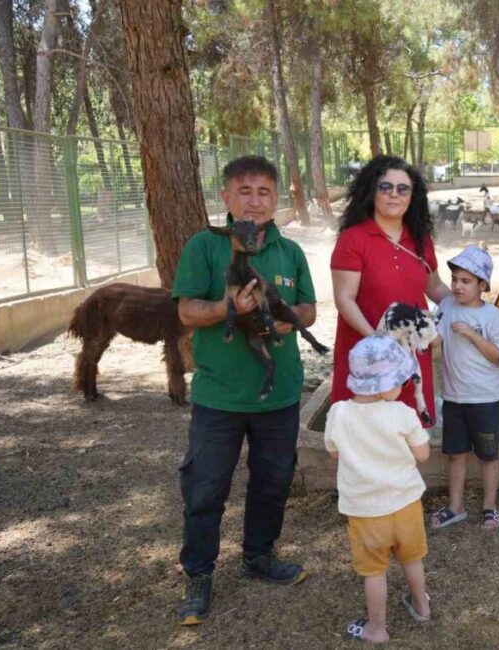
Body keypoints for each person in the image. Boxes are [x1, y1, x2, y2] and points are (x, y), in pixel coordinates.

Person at [171, 156, 316, 625]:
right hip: (219, 396)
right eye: (245, 191)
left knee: (272, 483)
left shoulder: (289, 251)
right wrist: (225, 306)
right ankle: (198, 573)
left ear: (276, 201)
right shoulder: (204, 247)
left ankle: (258, 555)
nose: (255, 201)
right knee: (205, 486)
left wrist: (277, 320)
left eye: (264, 192)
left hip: (280, 393)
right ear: (227, 197)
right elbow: (187, 312)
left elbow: (309, 308)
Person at [324, 335, 432, 643]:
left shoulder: (339, 413)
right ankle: (422, 606)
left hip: (365, 511)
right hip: (407, 505)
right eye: (399, 380)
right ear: (385, 386)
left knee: (374, 571)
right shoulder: (402, 413)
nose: (403, 386)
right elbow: (423, 454)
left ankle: (377, 628)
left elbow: (334, 452)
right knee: (412, 559)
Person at [331, 155, 450, 425]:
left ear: (413, 196)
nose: (394, 195)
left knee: (408, 435)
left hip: (410, 355)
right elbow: (344, 299)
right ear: (372, 191)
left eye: (402, 189)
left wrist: (471, 305)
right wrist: (379, 341)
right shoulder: (354, 239)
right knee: (364, 436)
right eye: (386, 187)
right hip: (367, 354)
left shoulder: (420, 239)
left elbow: (435, 287)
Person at [429, 245, 499, 531]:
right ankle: (456, 506)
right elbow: (435, 339)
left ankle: (490, 507)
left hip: (485, 400)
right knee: (456, 453)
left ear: (482, 284)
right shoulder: (446, 306)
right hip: (453, 398)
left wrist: (472, 335)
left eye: (466, 281)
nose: (458, 287)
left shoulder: (492, 316)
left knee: (488, 454)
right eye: (455, 280)